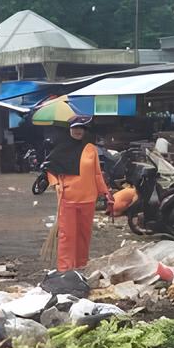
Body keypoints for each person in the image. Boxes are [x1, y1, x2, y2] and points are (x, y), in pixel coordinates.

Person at [46, 115, 111, 271]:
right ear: (69, 129)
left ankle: (82, 265)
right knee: (67, 236)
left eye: (81, 128)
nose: (78, 131)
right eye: (75, 128)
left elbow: (97, 174)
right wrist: (55, 184)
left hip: (88, 198)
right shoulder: (60, 149)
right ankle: (65, 269)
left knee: (83, 236)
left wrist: (106, 192)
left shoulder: (91, 149)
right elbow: (50, 170)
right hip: (68, 198)